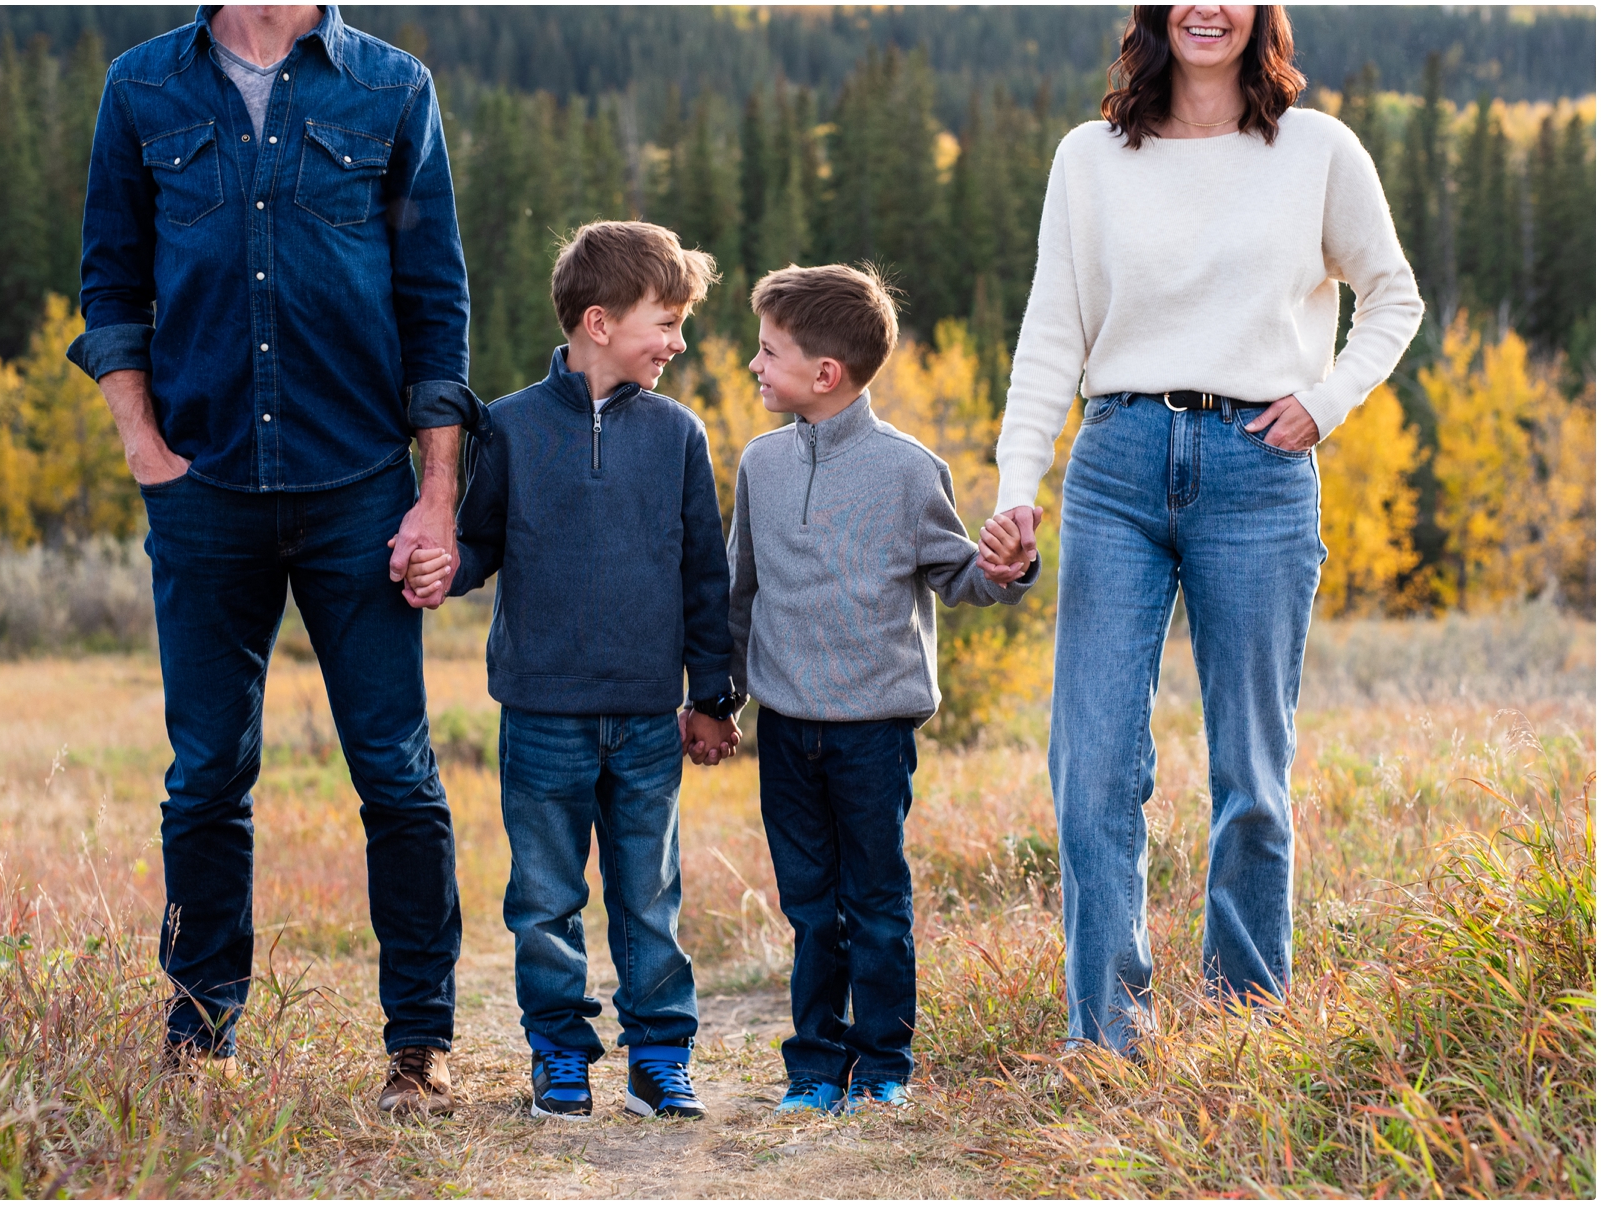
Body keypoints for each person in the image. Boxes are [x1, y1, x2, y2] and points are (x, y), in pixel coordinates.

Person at [979, 4, 1423, 1054]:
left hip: (1259, 466)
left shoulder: (1316, 149)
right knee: (1092, 770)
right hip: (1117, 462)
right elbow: (1052, 329)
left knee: (1252, 774)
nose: (1204, 8)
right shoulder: (1090, 158)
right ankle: (1108, 1043)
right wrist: (1016, 481)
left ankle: (1247, 1033)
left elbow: (1393, 295)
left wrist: (1331, 396)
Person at [67, 5, 484, 1114]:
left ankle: (420, 1043)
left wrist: (436, 495)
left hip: (360, 488)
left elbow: (436, 301)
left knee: (396, 772)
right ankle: (202, 1036)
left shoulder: (392, 88)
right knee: (206, 774)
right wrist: (143, 447)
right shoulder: (142, 87)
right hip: (201, 490)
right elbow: (110, 283)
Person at [404, 221, 741, 1121]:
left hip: (645, 719)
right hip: (541, 715)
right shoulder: (510, 427)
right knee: (544, 898)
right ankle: (558, 1054)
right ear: (599, 321)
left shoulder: (678, 434)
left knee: (649, 895)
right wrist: (443, 566)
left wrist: (712, 698)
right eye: (665, 323)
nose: (677, 342)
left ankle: (659, 1057)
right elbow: (477, 541)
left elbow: (705, 577)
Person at [726, 264, 1038, 1115]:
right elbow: (737, 593)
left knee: (874, 902)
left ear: (824, 374)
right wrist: (719, 699)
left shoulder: (908, 470)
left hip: (873, 733)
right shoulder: (761, 464)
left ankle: (885, 1062)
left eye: (768, 351)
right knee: (809, 903)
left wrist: (1004, 569)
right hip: (786, 730)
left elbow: (958, 576)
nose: (754, 365)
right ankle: (815, 1065)